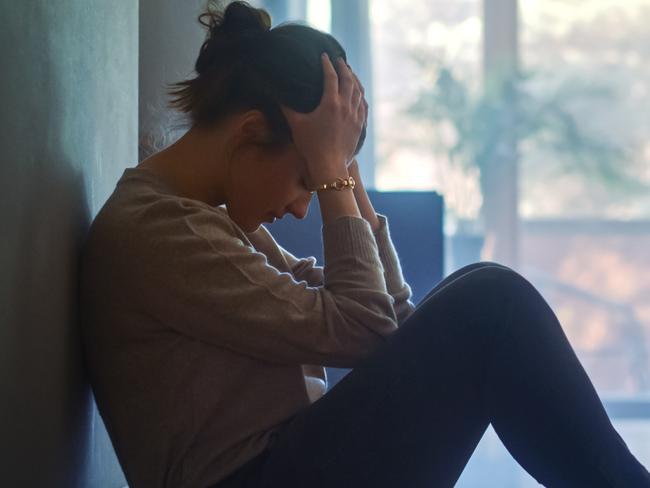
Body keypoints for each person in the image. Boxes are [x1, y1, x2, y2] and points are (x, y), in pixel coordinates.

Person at [78, 1, 650, 487]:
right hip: (252, 476)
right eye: (307, 178)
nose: (304, 205)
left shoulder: (207, 223)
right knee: (492, 304)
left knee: (475, 291)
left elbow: (386, 326)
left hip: (284, 462)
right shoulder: (159, 230)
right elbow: (363, 327)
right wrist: (331, 170)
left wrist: (341, 171)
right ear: (250, 132)